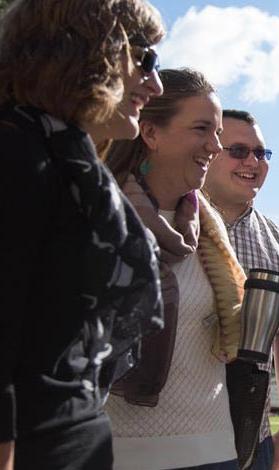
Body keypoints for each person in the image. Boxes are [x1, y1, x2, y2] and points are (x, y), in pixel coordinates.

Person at [0, 1, 165, 468]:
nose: (154, 84)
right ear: (92, 48)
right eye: (147, 58)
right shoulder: (16, 151)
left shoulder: (69, 162)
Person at [103, 68, 246, 470]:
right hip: (118, 454)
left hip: (215, 451)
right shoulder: (99, 220)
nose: (215, 146)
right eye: (202, 128)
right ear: (149, 133)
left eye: (217, 132)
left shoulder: (210, 233)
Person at [203, 109, 279, 470]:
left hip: (255, 441)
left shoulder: (278, 243)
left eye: (261, 153)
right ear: (208, 151)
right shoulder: (171, 221)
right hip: (172, 435)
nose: (253, 161)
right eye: (238, 150)